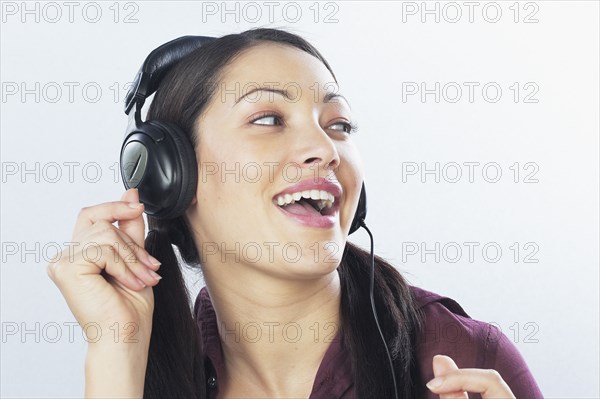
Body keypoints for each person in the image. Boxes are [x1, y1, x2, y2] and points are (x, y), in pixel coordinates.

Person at [47, 28, 544, 399]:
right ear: (171, 175)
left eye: (339, 123)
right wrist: (119, 353)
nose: (324, 148)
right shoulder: (150, 374)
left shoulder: (465, 357)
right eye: (268, 118)